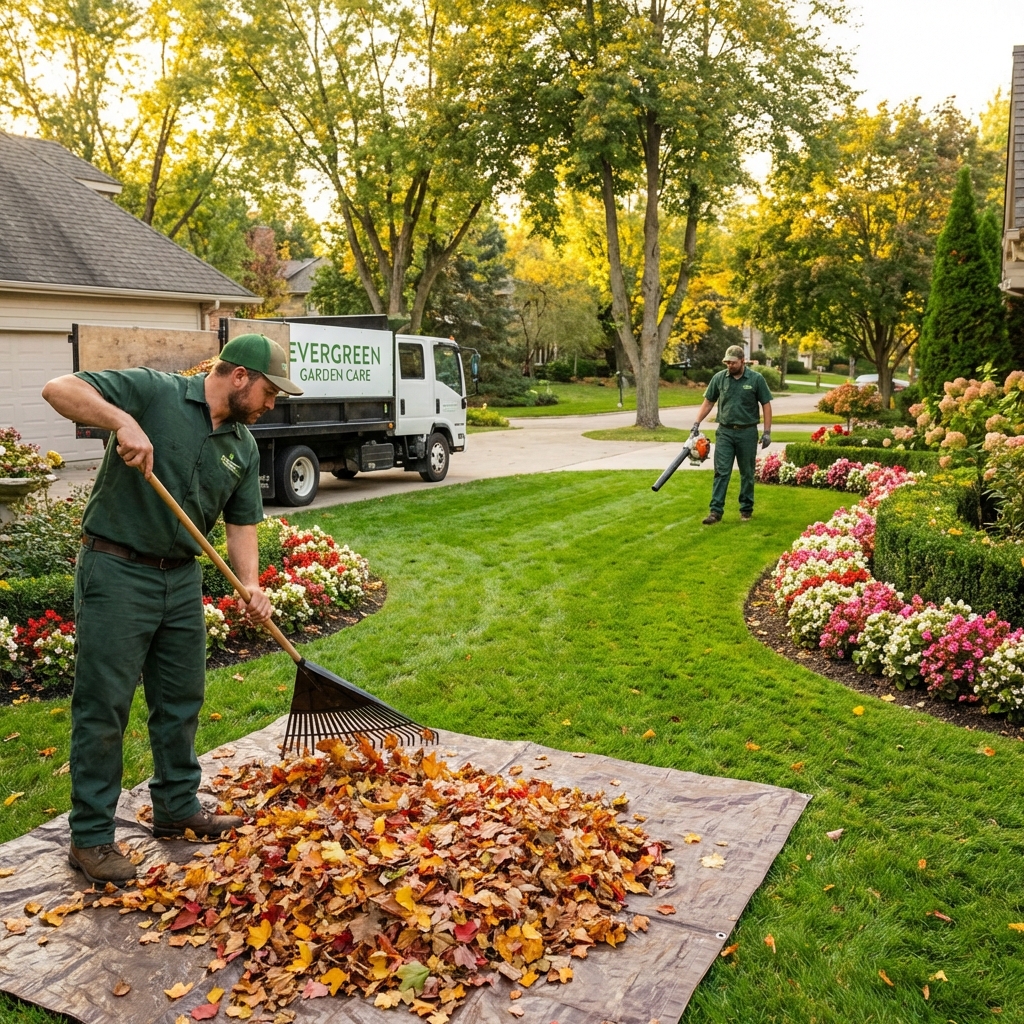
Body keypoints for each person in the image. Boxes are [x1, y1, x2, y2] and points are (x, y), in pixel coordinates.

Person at [41, 334, 303, 886]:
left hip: (180, 580)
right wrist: (121, 422)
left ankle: (177, 806)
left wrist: (250, 584)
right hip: (116, 571)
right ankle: (90, 838)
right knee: (103, 707)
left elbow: (242, 523)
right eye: (269, 392)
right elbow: (58, 388)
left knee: (181, 697)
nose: (271, 404)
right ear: (239, 376)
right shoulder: (154, 393)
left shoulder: (242, 444)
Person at [690, 345, 773, 524]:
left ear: (742, 361)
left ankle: (746, 509)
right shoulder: (719, 378)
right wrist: (696, 423)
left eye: (733, 362)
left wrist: (767, 432)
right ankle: (715, 511)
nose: (729, 365)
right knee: (721, 472)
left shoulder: (756, 379)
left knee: (747, 473)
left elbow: (766, 405)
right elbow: (708, 403)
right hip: (725, 432)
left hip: (748, 432)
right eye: (727, 362)